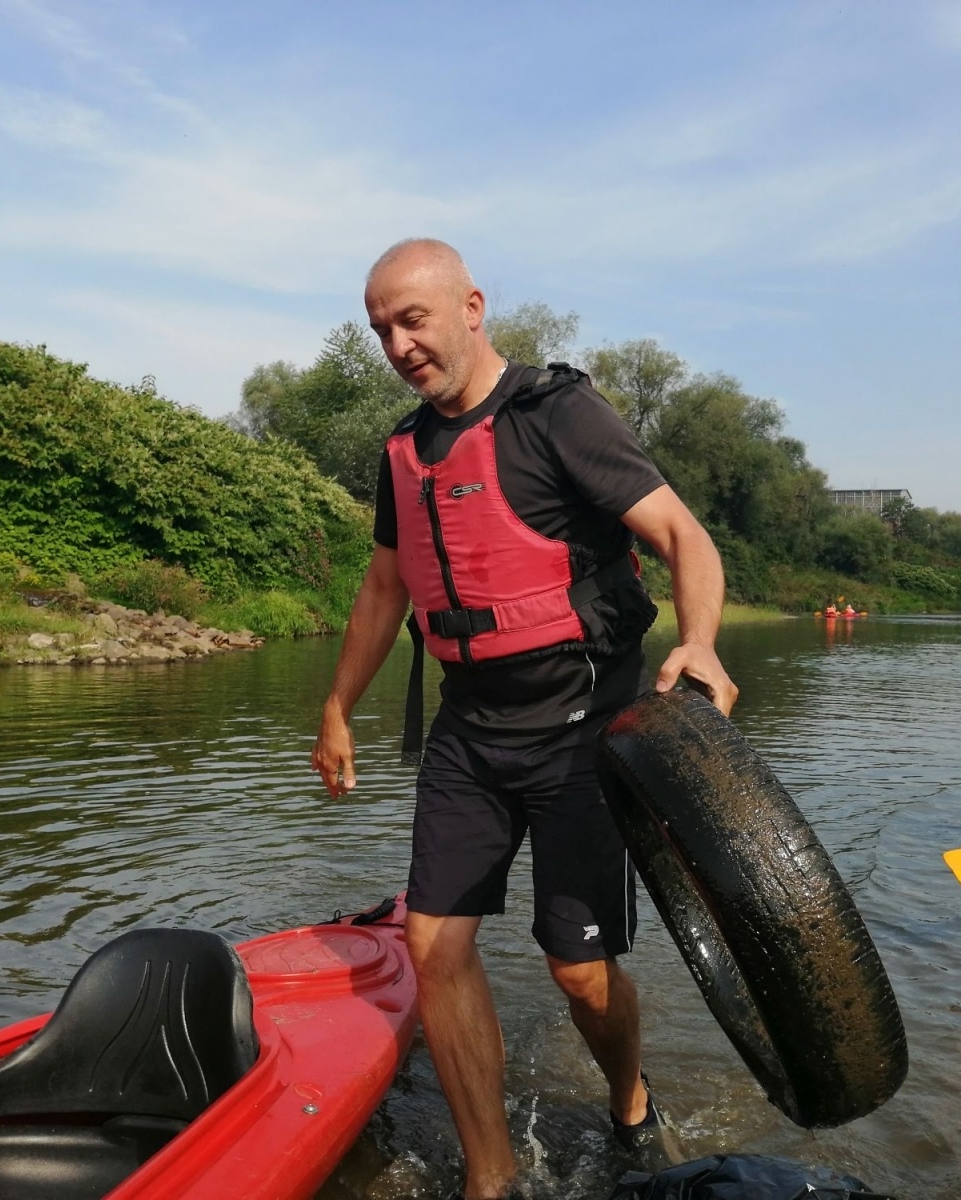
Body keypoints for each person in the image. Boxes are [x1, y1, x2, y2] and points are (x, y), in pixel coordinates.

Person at [311, 239, 737, 1200]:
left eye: (412, 319)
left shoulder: (559, 414)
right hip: (471, 730)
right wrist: (338, 707)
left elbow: (681, 535)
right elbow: (385, 588)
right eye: (380, 329)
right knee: (432, 944)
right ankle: (490, 1177)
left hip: (586, 725)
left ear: (471, 307)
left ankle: (629, 1097)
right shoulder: (403, 452)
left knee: (577, 975)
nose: (398, 344)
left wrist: (701, 643)